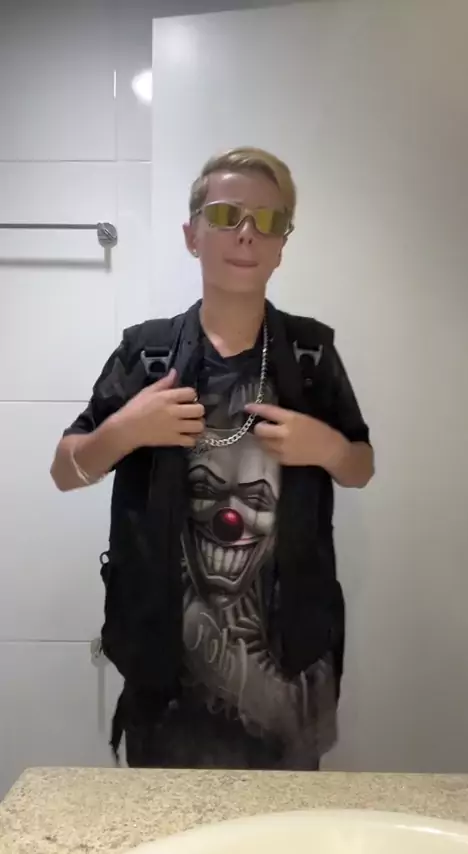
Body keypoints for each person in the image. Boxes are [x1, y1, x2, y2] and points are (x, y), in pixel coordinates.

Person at [51, 146, 374, 770]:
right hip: (164, 676)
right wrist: (126, 429)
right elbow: (66, 470)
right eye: (226, 215)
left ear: (282, 246)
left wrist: (327, 447)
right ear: (192, 234)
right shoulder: (146, 355)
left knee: (287, 822)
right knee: (167, 820)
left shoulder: (310, 356)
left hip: (287, 678)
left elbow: (360, 466)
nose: (247, 233)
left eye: (269, 221)